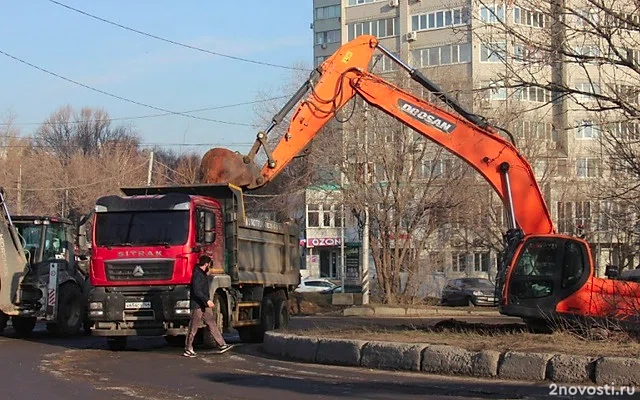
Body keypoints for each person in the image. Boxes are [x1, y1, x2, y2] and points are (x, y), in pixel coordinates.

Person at [184, 255, 232, 357]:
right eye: (209, 264)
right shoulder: (197, 275)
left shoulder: (202, 274)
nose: (210, 266)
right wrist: (207, 300)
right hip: (197, 305)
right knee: (193, 327)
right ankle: (188, 348)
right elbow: (197, 291)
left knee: (212, 324)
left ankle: (222, 344)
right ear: (206, 264)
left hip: (204, 305)